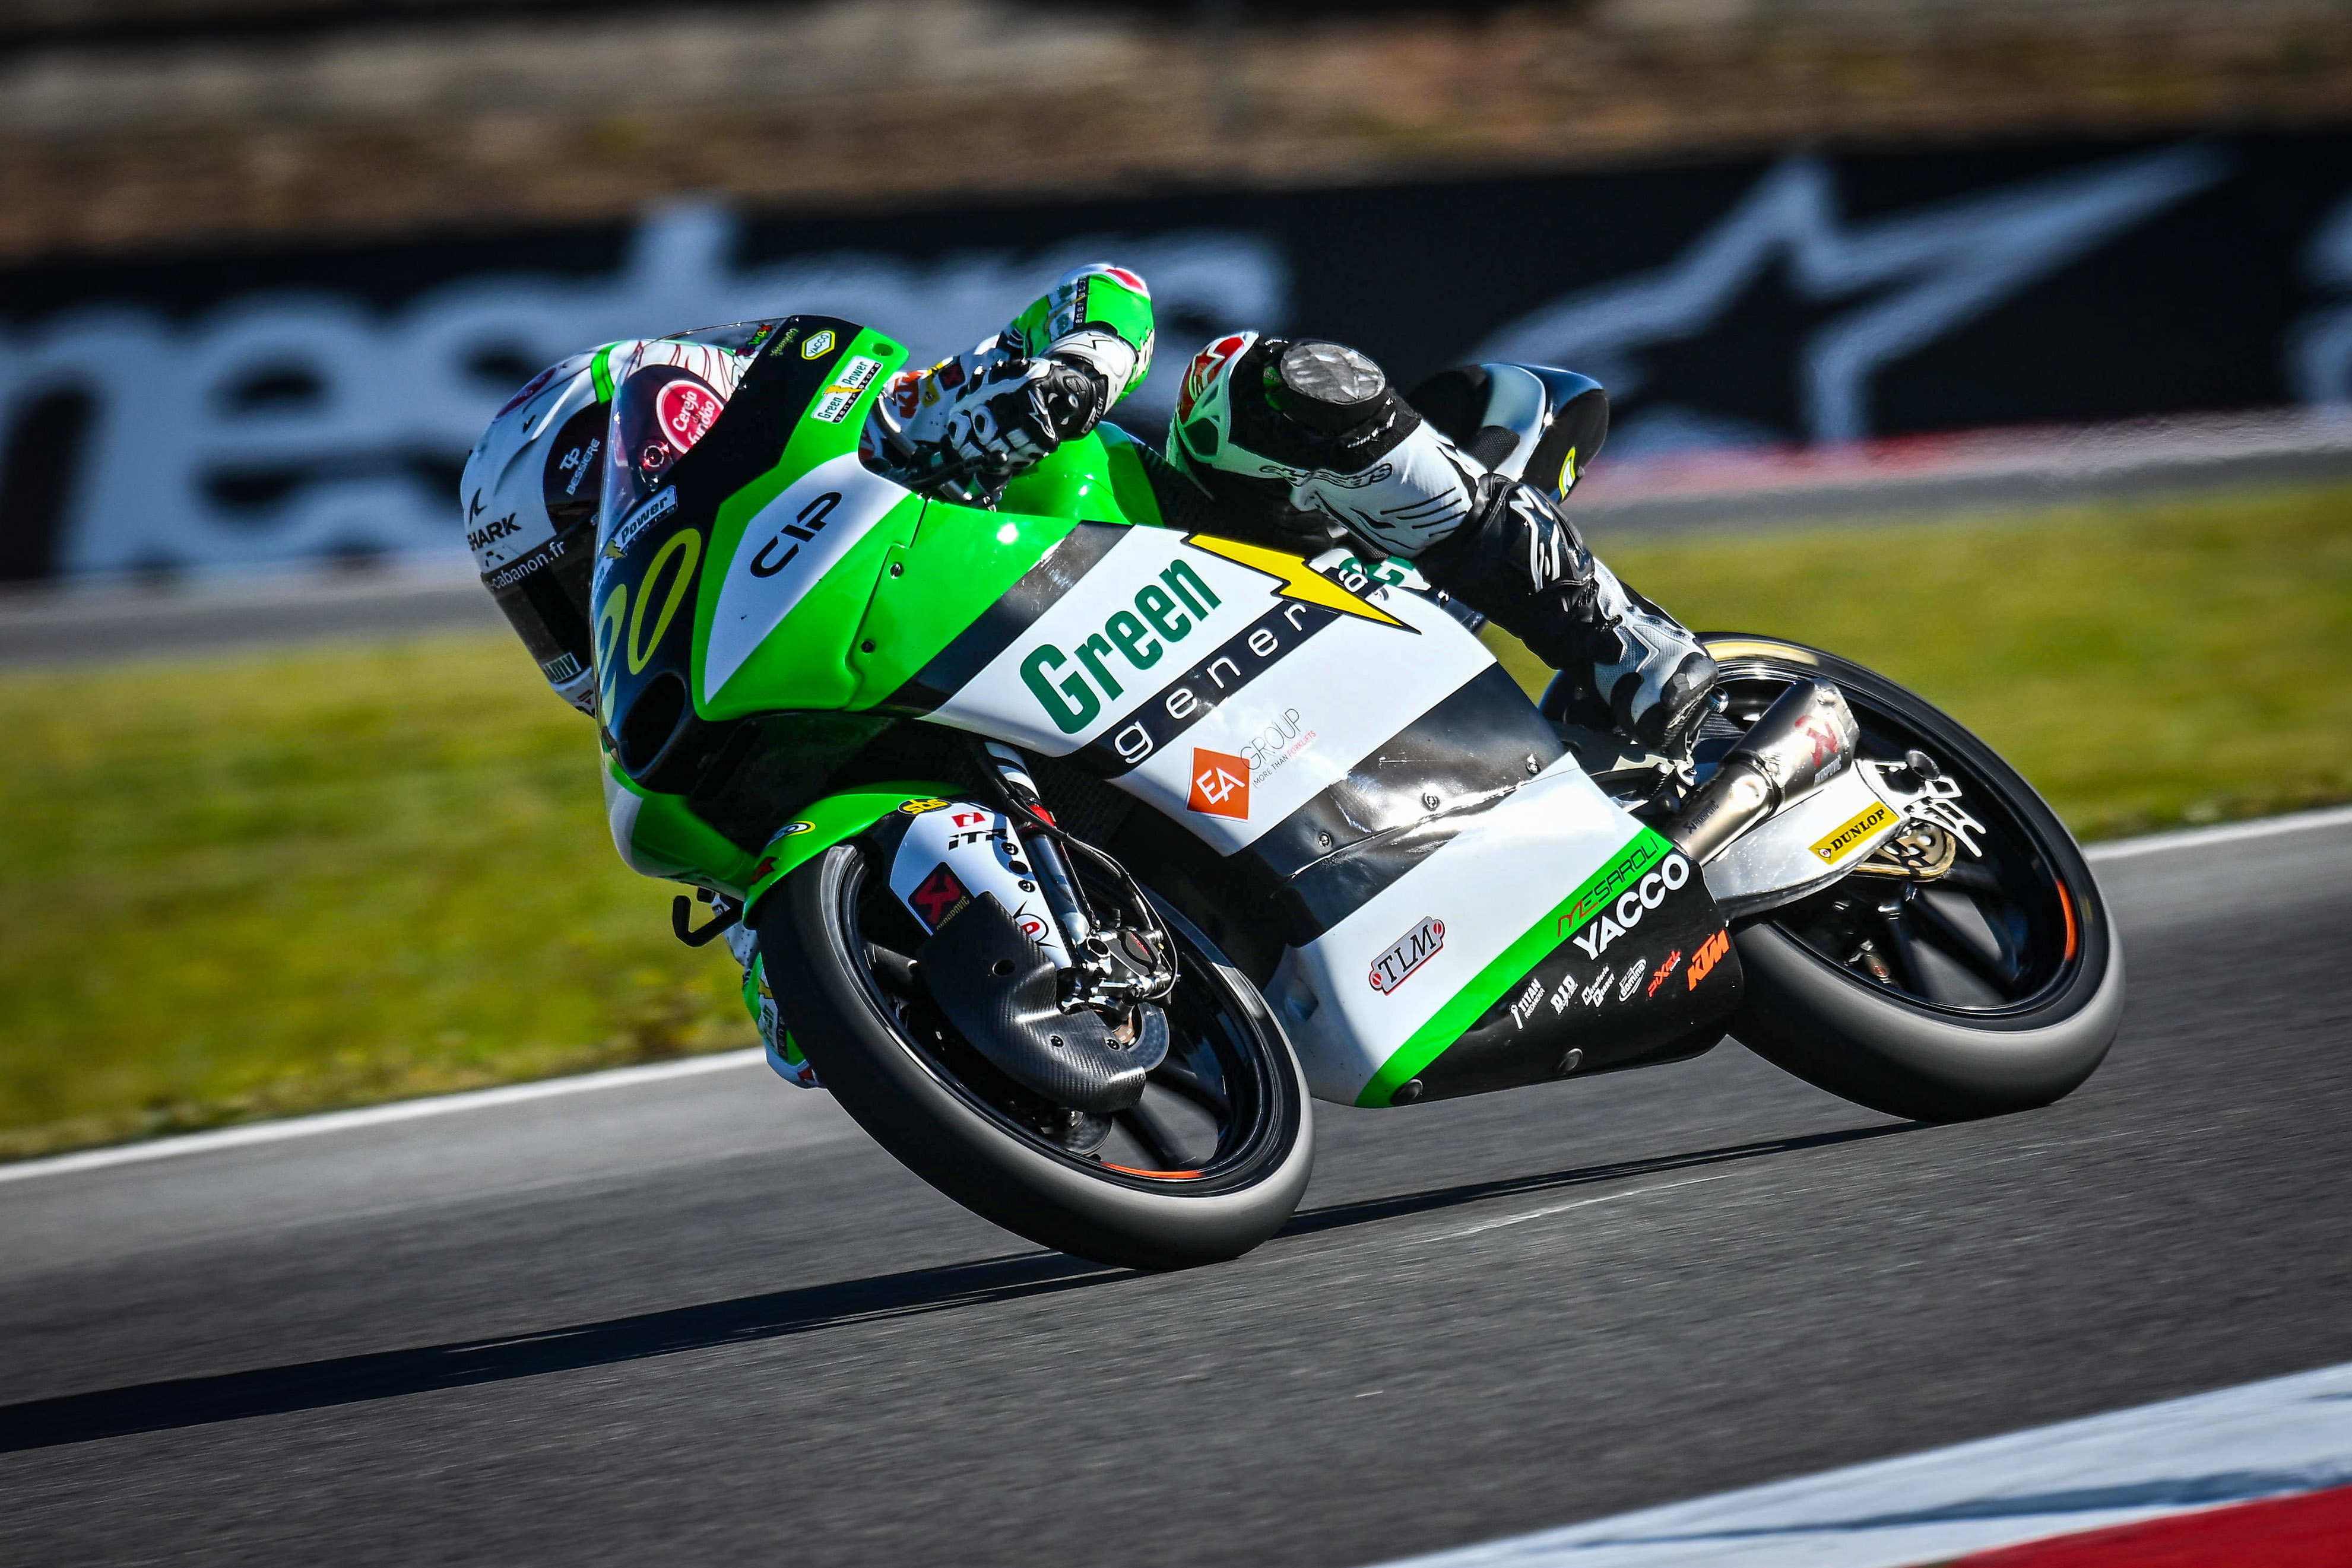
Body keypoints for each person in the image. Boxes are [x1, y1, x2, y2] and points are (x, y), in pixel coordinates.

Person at [458, 264, 1720, 1085]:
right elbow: (800, 1024)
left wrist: (1058, 377)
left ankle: (1619, 638)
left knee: (1257, 384)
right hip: (1142, 737)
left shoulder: (877, 425)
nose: (578, 615)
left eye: (571, 570)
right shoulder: (751, 717)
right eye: (546, 606)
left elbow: (1103, 295)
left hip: (1240, 552)